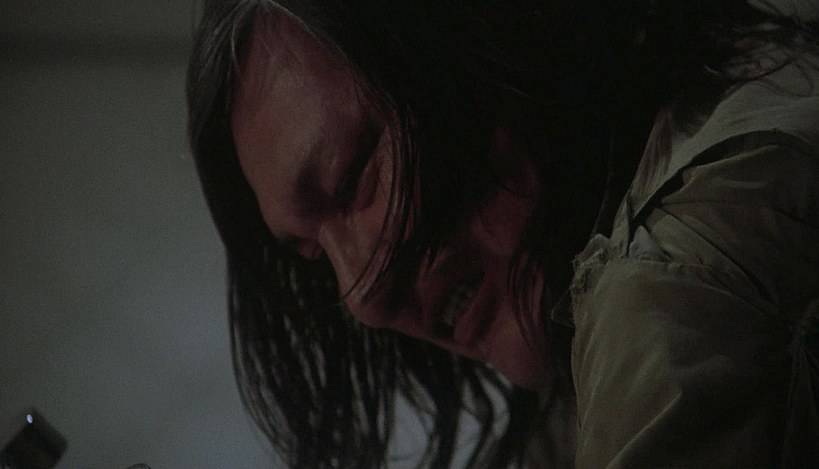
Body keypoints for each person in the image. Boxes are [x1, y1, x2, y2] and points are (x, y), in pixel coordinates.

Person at [186, 0, 819, 467]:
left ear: (484, 35)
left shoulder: (670, 289)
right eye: (313, 255)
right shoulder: (737, 93)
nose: (362, 300)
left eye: (351, 176)